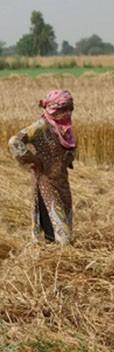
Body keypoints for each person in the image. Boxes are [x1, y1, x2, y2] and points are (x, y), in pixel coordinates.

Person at [8, 90, 77, 245]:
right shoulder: (41, 126)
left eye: (70, 109)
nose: (67, 113)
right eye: (63, 109)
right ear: (53, 109)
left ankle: (56, 260)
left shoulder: (64, 130)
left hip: (62, 183)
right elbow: (14, 142)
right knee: (62, 235)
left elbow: (69, 151)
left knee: (64, 228)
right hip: (46, 183)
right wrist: (32, 160)